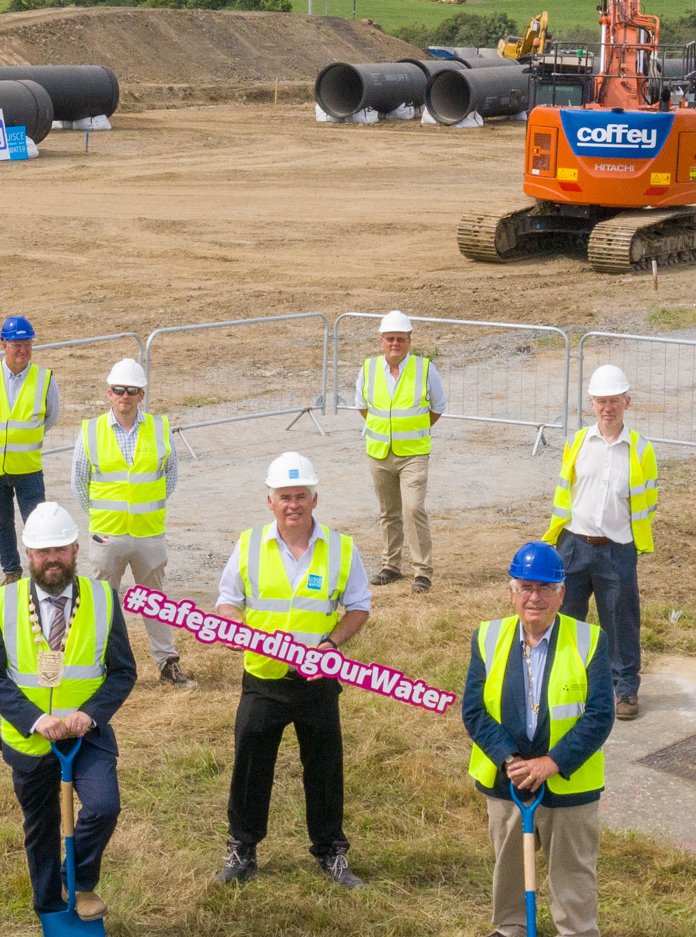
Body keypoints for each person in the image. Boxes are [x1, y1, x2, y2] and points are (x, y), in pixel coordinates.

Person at [0, 502, 139, 922]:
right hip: (30, 740)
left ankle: (78, 879)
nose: (52, 560)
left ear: (76, 549)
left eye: (60, 550)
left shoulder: (103, 599)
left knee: (104, 808)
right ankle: (50, 911)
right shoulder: (2, 602)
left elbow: (122, 672)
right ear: (28, 555)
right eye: (43, 552)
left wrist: (92, 713)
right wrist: (33, 718)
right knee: (42, 827)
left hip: (87, 735)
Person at [214, 451, 371, 888]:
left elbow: (359, 606)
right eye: (285, 497)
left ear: (315, 499)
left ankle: (331, 852)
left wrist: (331, 642)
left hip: (317, 681)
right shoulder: (248, 545)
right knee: (250, 766)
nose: (293, 505)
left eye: (301, 496)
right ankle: (242, 850)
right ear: (270, 501)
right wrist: (233, 626)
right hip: (263, 679)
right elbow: (227, 600)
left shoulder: (341, 548)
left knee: (324, 767)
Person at [462, 542, 616, 937]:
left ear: (562, 594)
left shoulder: (589, 640)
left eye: (545, 589)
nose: (535, 598)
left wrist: (551, 762)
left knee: (572, 864)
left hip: (569, 780)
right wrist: (510, 759)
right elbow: (474, 709)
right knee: (509, 855)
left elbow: (601, 714)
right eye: (526, 588)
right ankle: (512, 927)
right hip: (507, 775)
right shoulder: (488, 637)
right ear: (511, 592)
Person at [543, 363, 657, 723]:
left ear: (628, 401)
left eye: (615, 401)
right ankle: (566, 683)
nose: (608, 408)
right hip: (574, 544)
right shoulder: (577, 442)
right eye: (601, 401)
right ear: (591, 404)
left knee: (621, 619)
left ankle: (625, 688)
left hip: (617, 548)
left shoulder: (640, 450)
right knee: (566, 618)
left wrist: (624, 535)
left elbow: (648, 501)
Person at [71, 356, 191, 688]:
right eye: (118, 390)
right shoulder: (91, 432)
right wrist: (101, 516)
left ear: (141, 395)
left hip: (148, 535)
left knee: (156, 602)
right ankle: (100, 666)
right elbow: (79, 484)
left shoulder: (160, 429)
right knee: (102, 605)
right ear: (109, 393)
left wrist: (146, 509)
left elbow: (170, 479)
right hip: (107, 537)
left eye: (132, 390)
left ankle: (167, 664)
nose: (125, 396)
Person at [355, 310, 445, 593]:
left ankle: (422, 572)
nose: (395, 343)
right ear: (381, 341)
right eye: (390, 339)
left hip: (413, 454)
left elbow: (438, 408)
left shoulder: (426, 368)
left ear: (409, 341)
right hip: (379, 452)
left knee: (413, 509)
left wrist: (413, 431)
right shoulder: (368, 368)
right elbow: (363, 406)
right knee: (388, 511)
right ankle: (391, 566)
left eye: (401, 339)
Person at [0, 315, 56, 583]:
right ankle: (11, 572)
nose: (23, 350)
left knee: (37, 526)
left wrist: (22, 439)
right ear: (3, 344)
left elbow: (50, 418)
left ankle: (40, 573)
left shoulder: (45, 379)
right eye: (17, 344)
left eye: (28, 344)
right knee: (1, 523)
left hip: (28, 469)